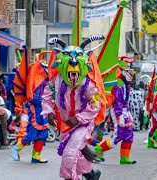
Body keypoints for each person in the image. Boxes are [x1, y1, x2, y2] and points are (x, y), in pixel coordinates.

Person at [42, 37, 106, 180]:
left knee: (70, 153)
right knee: (75, 151)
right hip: (65, 124)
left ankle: (70, 178)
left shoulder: (88, 84)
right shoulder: (56, 80)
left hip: (83, 123)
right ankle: (90, 174)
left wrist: (77, 118)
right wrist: (49, 112)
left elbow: (95, 105)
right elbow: (46, 95)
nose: (73, 64)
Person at [11, 59, 50, 163]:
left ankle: (36, 157)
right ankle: (16, 149)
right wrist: (44, 101)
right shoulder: (34, 83)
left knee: (44, 133)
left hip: (43, 112)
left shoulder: (46, 83)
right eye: (44, 68)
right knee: (32, 134)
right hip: (34, 112)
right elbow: (31, 98)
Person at [95, 67, 137, 164]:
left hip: (124, 111)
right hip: (117, 111)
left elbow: (125, 102)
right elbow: (118, 102)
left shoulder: (126, 85)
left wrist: (129, 113)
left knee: (129, 134)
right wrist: (120, 117)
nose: (131, 76)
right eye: (129, 73)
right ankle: (99, 149)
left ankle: (124, 158)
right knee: (118, 135)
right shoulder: (118, 84)